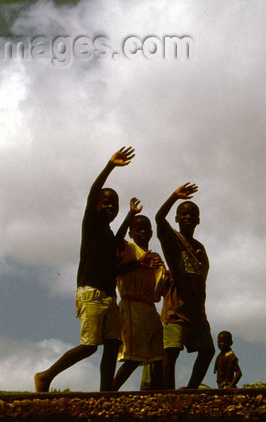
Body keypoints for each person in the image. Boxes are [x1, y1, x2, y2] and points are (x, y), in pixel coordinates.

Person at [34, 146, 135, 392]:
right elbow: (93, 193)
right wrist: (110, 166)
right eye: (106, 203)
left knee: (113, 344)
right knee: (90, 345)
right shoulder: (91, 222)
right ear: (97, 205)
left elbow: (114, 254)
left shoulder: (108, 234)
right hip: (91, 292)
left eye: (115, 205)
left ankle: (106, 393)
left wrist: (130, 216)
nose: (110, 207)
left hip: (109, 296)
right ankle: (46, 376)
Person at [156, 183, 214, 389]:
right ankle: (169, 392)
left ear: (198, 220)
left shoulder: (200, 248)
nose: (187, 217)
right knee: (171, 350)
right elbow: (159, 219)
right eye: (183, 214)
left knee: (207, 351)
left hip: (197, 311)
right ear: (177, 218)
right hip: (176, 309)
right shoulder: (173, 240)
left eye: (192, 215)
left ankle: (191, 390)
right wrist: (174, 197)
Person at [112, 201, 167, 391]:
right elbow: (115, 243)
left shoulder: (156, 257)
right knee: (133, 357)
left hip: (150, 308)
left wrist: (169, 279)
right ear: (131, 232)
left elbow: (161, 289)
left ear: (152, 232)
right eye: (138, 229)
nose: (143, 232)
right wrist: (129, 216)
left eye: (146, 229)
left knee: (159, 355)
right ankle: (109, 392)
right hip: (131, 305)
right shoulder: (128, 248)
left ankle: (158, 395)